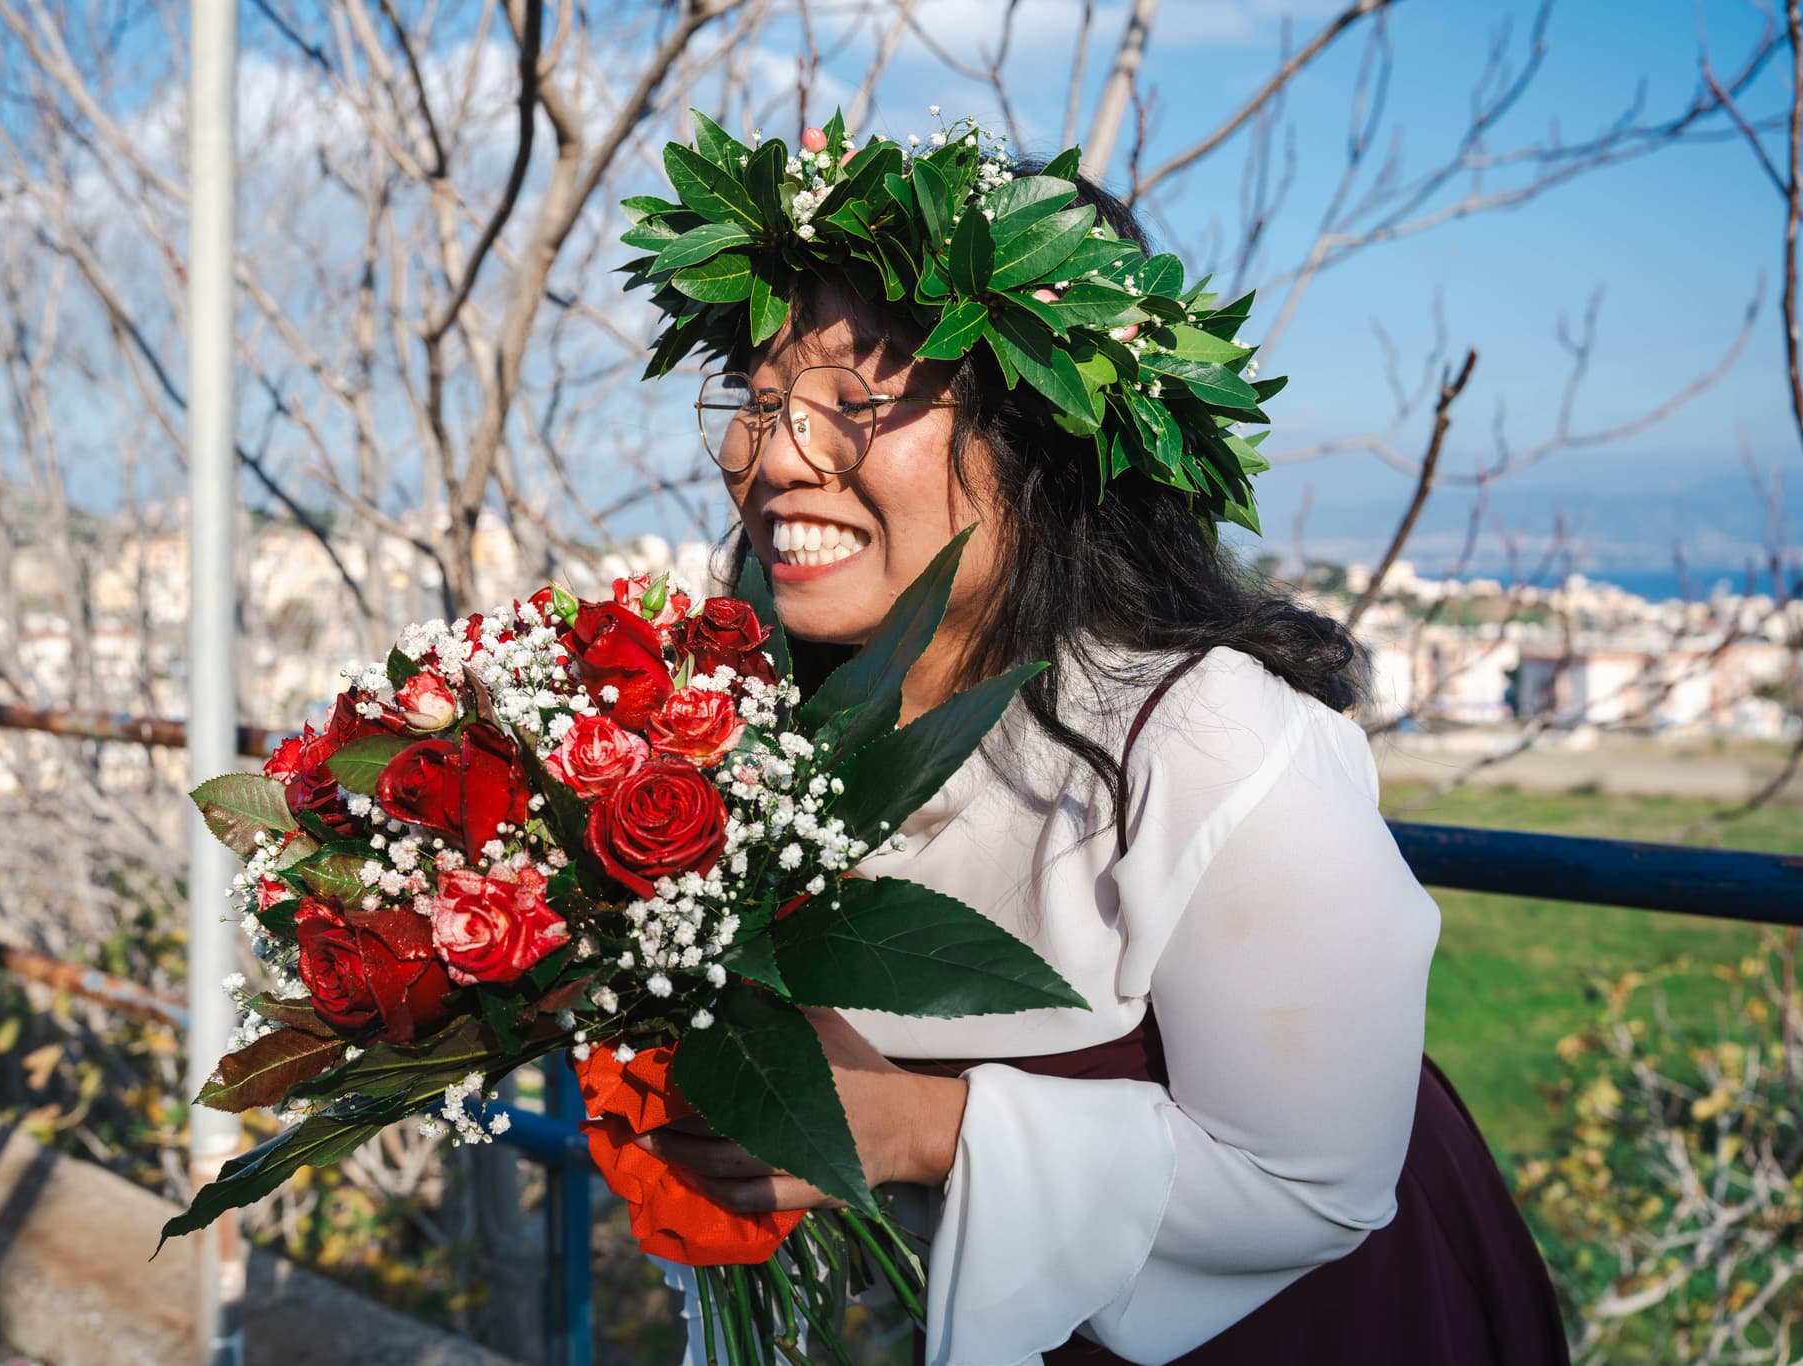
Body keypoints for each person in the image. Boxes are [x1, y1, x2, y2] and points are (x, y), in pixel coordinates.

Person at [624, 117, 1569, 1365]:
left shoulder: (1211, 739)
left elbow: (1316, 1186)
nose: (774, 457)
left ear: (1049, 439)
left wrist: (917, 1128)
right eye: (755, 401)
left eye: (857, 400)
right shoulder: (751, 732)